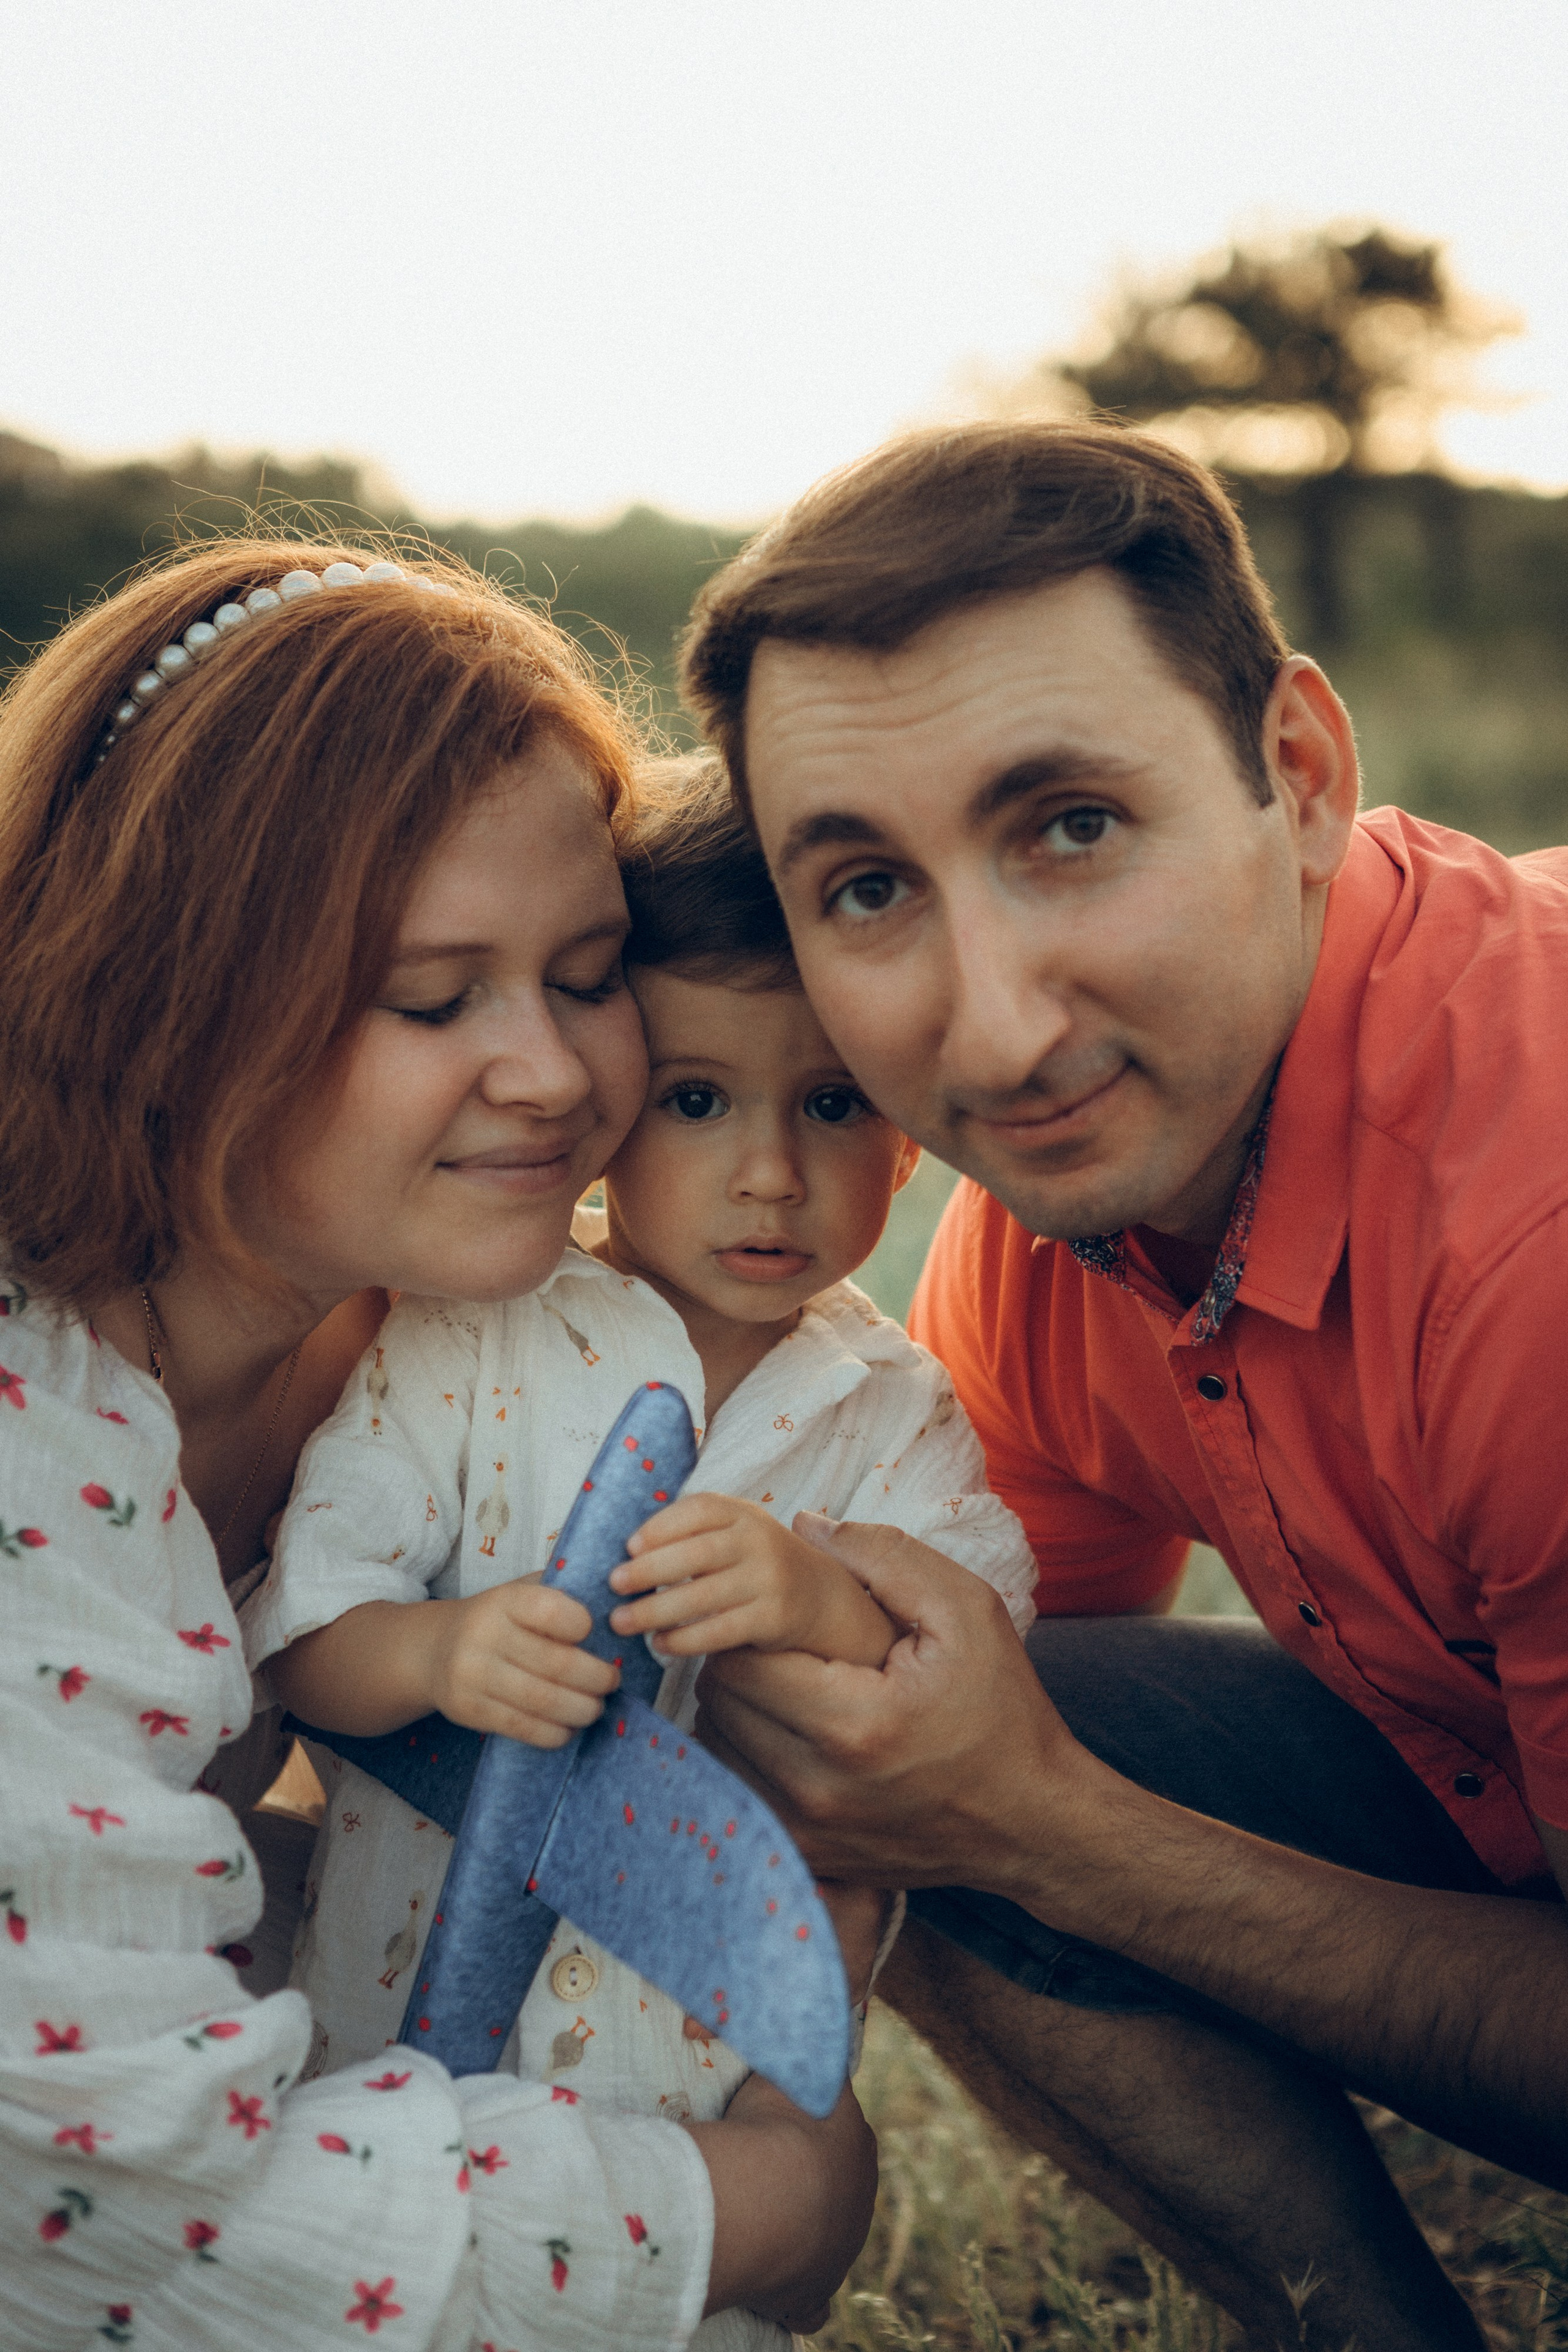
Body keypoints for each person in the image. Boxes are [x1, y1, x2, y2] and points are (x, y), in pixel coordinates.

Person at [674, 421, 1568, 2352]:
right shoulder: (1052, 1221)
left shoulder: (1539, 1235)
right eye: (864, 889)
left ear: (1300, 777)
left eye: (1069, 826)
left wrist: (1040, 1823)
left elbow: (1029, 1820)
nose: (992, 1030)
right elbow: (974, 1738)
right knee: (858, 1714)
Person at [0, 542, 875, 2351]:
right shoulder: (31, 1419)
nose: (553, 1073)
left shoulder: (438, 1346)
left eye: (587, 973)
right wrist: (738, 2212)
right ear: (168, 997)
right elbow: (118, 2212)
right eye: (432, 996)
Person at [243, 760, 1036, 2352]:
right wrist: (446, 1658)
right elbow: (307, 1631)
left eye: (832, 1103)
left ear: (908, 1125)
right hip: (390, 2032)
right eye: (697, 1099)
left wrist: (821, 1599)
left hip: (695, 2075)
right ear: (606, 1110)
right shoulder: (470, 1340)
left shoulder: (889, 1410)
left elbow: (974, 1675)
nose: (769, 1171)